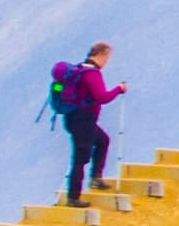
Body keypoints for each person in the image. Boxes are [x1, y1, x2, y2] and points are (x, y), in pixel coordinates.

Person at [49, 43, 123, 203]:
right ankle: (73, 197)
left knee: (103, 141)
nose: (107, 62)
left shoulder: (79, 69)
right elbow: (102, 97)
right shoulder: (92, 74)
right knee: (80, 158)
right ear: (102, 55)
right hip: (84, 121)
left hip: (72, 119)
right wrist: (119, 89)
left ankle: (96, 178)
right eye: (107, 57)